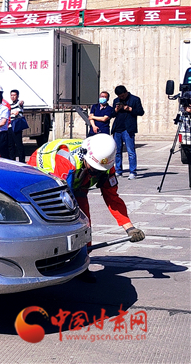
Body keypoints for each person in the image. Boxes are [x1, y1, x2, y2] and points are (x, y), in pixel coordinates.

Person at [27, 134, 145, 282]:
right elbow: (61, 200)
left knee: (85, 223)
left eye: (98, 171)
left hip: (77, 181)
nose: (95, 173)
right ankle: (45, 261)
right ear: (85, 157)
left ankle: (81, 264)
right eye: (94, 169)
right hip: (42, 176)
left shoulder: (105, 165)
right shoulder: (66, 160)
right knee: (52, 219)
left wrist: (129, 227)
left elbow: (112, 198)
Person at [110, 85, 145, 179]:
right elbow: (112, 114)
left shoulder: (135, 99)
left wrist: (130, 109)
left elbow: (141, 112)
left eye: (122, 96)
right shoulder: (115, 101)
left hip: (128, 129)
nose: (121, 98)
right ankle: (118, 170)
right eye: (119, 96)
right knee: (117, 151)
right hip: (117, 128)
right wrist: (116, 110)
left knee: (131, 151)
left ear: (126, 92)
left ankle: (132, 172)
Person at [8, 89, 26, 162]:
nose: (13, 97)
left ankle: (22, 160)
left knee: (18, 144)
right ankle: (12, 160)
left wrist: (21, 103)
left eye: (14, 95)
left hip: (17, 126)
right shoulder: (9, 105)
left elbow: (21, 104)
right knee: (11, 145)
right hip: (10, 126)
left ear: (17, 96)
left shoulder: (19, 104)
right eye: (11, 95)